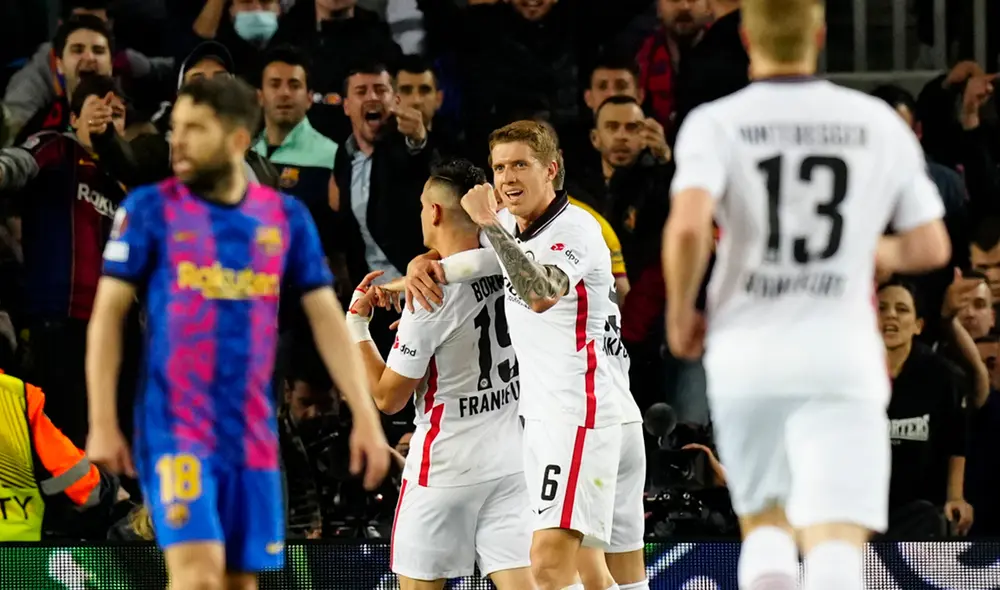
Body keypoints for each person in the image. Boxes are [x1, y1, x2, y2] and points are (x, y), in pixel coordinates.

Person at [662, 0, 951, 589]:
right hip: (840, 349)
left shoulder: (714, 122)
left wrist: (680, 310)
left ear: (745, 37)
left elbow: (689, 226)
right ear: (819, 34)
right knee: (836, 533)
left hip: (748, 348)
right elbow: (931, 244)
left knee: (765, 524)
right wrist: (882, 252)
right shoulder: (873, 121)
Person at [84, 76, 390, 590]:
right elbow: (107, 316)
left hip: (252, 434)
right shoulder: (148, 210)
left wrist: (364, 414)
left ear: (236, 140)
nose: (176, 141)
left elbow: (326, 319)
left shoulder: (283, 217)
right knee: (198, 578)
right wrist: (101, 420)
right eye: (175, 128)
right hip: (177, 425)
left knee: (239, 583)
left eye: (194, 129)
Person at [404, 121, 648, 590]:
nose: (507, 177)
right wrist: (422, 267)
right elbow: (484, 262)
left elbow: (539, 291)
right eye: (499, 167)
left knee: (549, 567)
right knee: (610, 573)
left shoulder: (575, 228)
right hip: (588, 414)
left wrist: (488, 223)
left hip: (578, 416)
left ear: (551, 169)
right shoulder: (521, 227)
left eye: (521, 164)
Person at [346, 158, 536, 590]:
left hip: (444, 471)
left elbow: (386, 398)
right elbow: (462, 263)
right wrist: (413, 269)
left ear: (433, 212)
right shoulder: (507, 260)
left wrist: (356, 327)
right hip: (510, 463)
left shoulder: (427, 296)